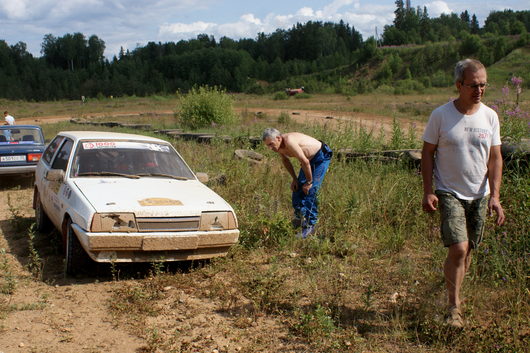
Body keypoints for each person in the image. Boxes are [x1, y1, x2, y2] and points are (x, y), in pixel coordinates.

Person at [421, 58, 505, 328]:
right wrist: (428, 191)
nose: (479, 90)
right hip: (449, 191)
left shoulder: (490, 116)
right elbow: (427, 152)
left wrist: (495, 197)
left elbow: (495, 158)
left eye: (483, 85)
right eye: (473, 85)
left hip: (479, 194)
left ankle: (452, 292)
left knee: (468, 251)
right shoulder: (441, 115)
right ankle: (453, 309)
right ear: (459, 85)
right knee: (459, 247)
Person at [262, 128, 332, 238]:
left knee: (311, 190)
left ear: (278, 138)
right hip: (308, 161)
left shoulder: (289, 141)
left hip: (321, 157)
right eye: (268, 146)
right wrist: (295, 179)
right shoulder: (278, 146)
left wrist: (309, 182)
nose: (270, 148)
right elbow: (286, 161)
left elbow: (305, 161)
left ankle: (310, 225)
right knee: (297, 187)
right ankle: (299, 218)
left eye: (271, 144)